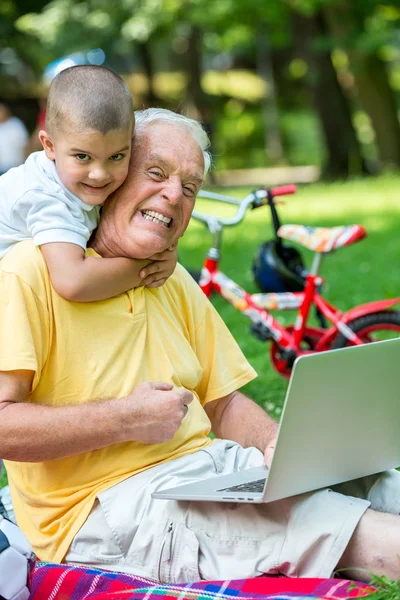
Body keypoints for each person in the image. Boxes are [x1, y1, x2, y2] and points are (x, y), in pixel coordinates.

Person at [0, 109, 399, 584]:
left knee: (378, 480)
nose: (173, 195)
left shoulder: (166, 276)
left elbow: (223, 400)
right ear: (113, 175)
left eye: (190, 188)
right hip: (110, 508)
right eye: (156, 173)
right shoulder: (28, 272)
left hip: (211, 473)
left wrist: (277, 448)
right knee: (364, 537)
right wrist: (124, 418)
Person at [0, 65, 177, 302]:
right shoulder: (45, 197)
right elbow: (73, 282)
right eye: (83, 157)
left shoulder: (78, 182)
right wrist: (145, 268)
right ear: (49, 146)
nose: (99, 174)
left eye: (116, 157)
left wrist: (165, 251)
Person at [0, 103, 29, 175]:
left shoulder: (16, 124)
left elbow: (24, 145)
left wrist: (25, 163)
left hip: (16, 166)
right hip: (2, 168)